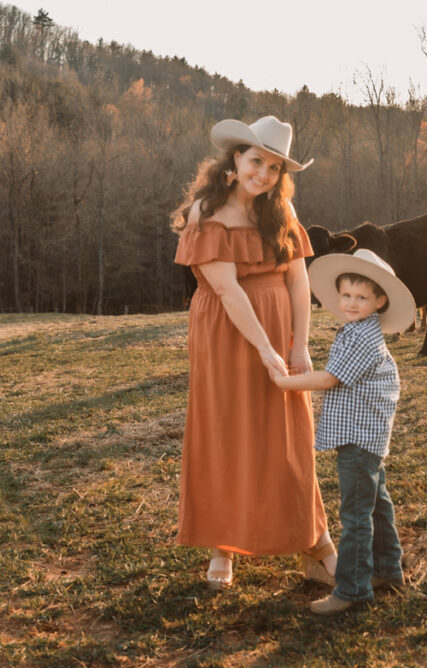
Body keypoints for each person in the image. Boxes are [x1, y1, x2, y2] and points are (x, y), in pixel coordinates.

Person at [171, 115, 337, 590]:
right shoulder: (207, 211)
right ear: (237, 157)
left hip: (279, 324)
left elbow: (297, 279)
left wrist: (298, 343)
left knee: (288, 435)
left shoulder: (280, 214)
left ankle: (316, 544)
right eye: (256, 161)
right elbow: (227, 290)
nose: (262, 174)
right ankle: (223, 545)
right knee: (229, 429)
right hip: (227, 331)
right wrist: (266, 350)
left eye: (273, 169)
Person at [269, 249, 416, 615]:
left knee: (355, 514)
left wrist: (284, 382)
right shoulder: (358, 331)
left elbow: (329, 378)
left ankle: (352, 589)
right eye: (346, 295)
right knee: (377, 504)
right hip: (368, 436)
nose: (351, 303)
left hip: (358, 439)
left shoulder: (363, 338)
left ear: (379, 301)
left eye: (361, 297)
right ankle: (387, 569)